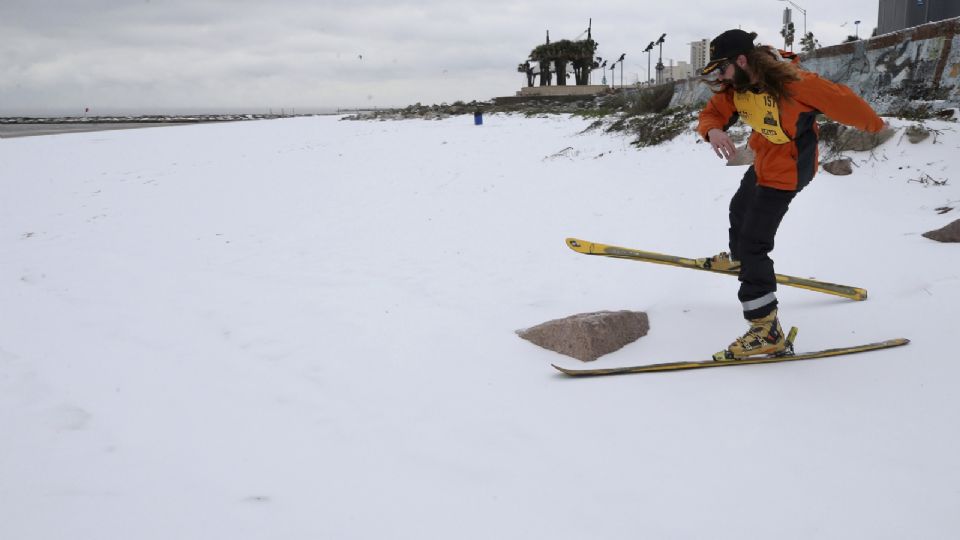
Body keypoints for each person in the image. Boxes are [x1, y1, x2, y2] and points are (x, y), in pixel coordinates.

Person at [696, 29, 886, 360]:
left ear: (741, 60)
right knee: (739, 209)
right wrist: (712, 129)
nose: (719, 78)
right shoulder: (737, 86)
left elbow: (843, 101)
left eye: (721, 69)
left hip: (790, 169)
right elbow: (713, 111)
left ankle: (766, 330)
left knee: (755, 242)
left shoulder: (795, 84)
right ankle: (739, 258)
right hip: (765, 161)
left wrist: (874, 125)